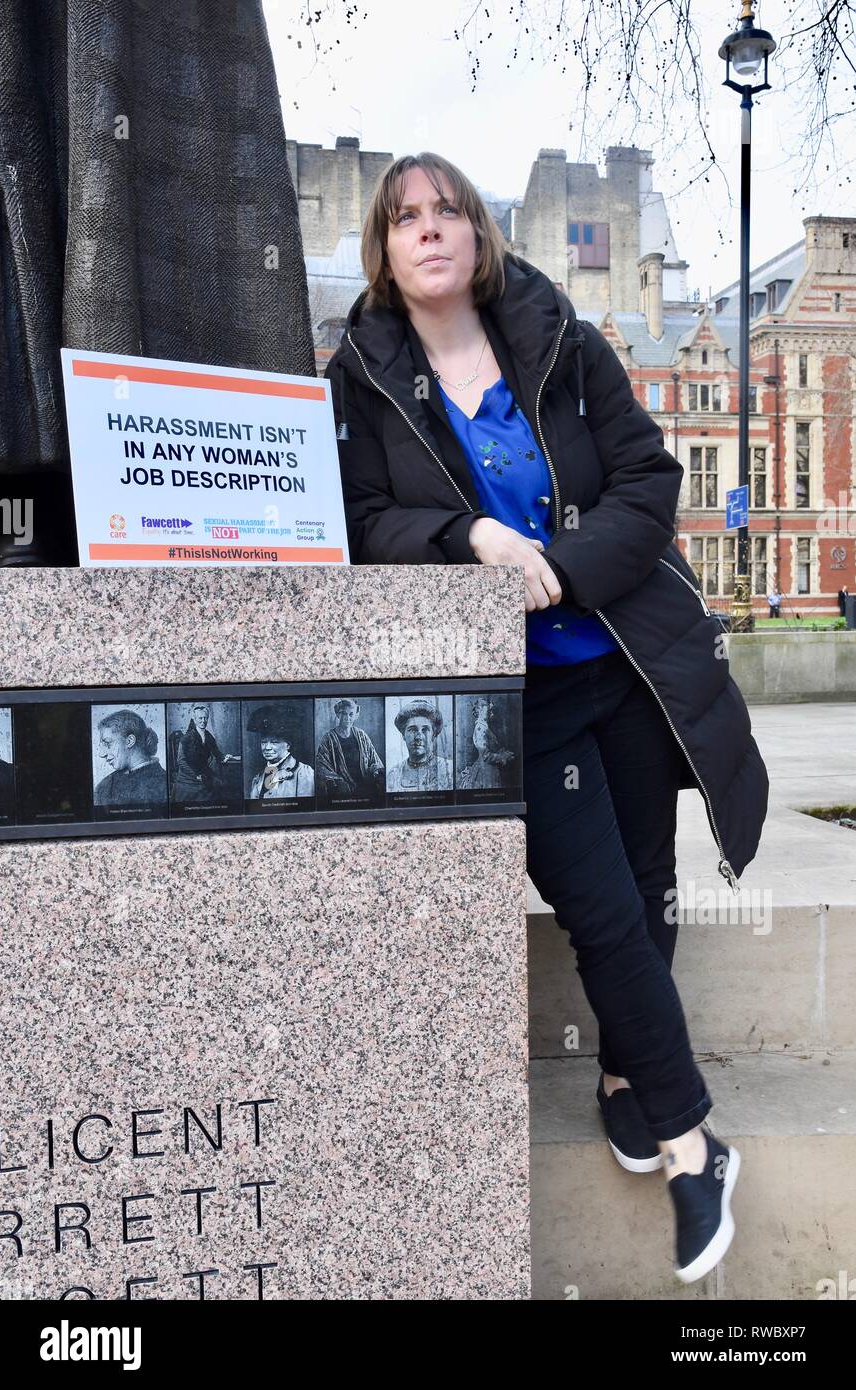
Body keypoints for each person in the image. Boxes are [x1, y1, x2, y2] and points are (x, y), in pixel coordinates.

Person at [325, 152, 770, 1285]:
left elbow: (646, 480)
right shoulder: (363, 373)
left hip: (622, 665)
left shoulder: (558, 336)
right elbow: (360, 520)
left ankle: (625, 1077)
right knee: (603, 915)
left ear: (477, 232)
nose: (428, 231)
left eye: (447, 213)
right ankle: (690, 1148)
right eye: (404, 218)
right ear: (382, 248)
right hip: (515, 696)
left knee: (647, 886)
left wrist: (560, 572)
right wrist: (467, 539)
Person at [94, 709, 167, 807]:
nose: (101, 754)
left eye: (108, 743)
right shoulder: (105, 786)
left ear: (129, 741)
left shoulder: (164, 784)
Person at [316, 699, 385, 797]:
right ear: (337, 715)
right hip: (341, 789)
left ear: (356, 716)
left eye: (351, 714)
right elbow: (321, 765)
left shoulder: (362, 735)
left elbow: (374, 760)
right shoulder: (328, 738)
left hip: (366, 786)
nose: (347, 718)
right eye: (343, 714)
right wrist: (338, 781)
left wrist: (375, 772)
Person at [171, 704, 237, 804]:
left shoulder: (208, 736)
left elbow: (217, 753)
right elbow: (181, 761)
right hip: (188, 778)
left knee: (222, 788)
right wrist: (196, 775)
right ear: (195, 719)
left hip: (205, 773)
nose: (203, 721)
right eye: (200, 718)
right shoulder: (186, 738)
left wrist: (224, 757)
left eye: (205, 718)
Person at [246, 706, 314, 800]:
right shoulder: (258, 778)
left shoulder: (303, 773)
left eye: (274, 742)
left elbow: (305, 810)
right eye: (264, 742)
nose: (267, 748)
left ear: (288, 745)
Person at [386, 698, 453, 791]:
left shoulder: (449, 770)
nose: (418, 737)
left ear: (433, 735)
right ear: (403, 735)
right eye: (412, 730)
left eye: (425, 730)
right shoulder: (393, 776)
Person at [456, 696, 516, 790]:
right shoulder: (480, 728)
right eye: (489, 711)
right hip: (486, 770)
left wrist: (504, 753)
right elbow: (486, 756)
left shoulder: (485, 728)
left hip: (490, 768)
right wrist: (502, 757)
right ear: (480, 710)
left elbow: (493, 747)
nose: (492, 714)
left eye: (491, 711)